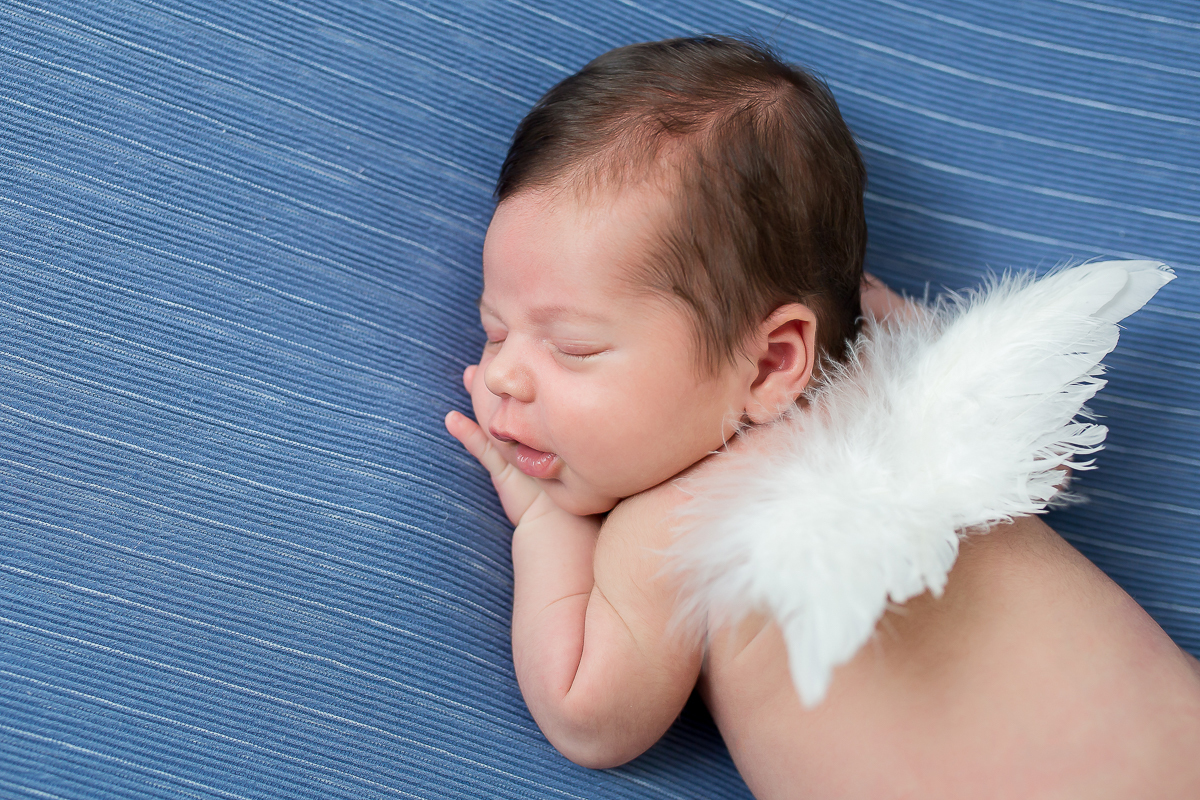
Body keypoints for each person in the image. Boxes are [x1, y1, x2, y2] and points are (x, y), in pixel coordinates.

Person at [443, 35, 1200, 799]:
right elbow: (1041, 463)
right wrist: (883, 316)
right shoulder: (903, 382)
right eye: (496, 328)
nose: (502, 373)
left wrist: (548, 526)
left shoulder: (665, 533)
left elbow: (587, 717)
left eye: (573, 347)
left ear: (774, 362)